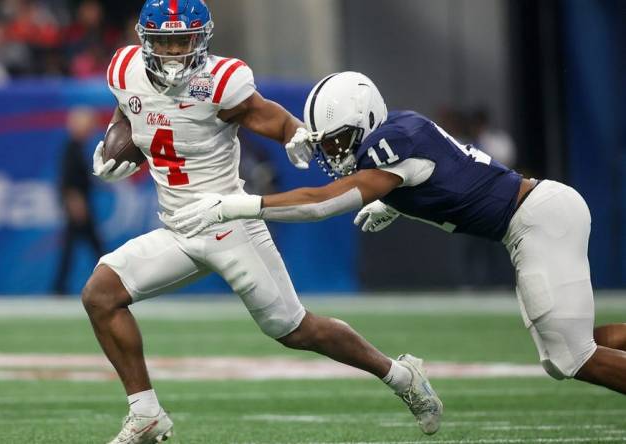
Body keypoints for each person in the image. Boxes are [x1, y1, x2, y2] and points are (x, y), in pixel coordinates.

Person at [82, 3, 442, 443]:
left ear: (203, 39)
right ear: (145, 41)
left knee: (296, 330)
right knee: (101, 294)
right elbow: (131, 115)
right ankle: (146, 415)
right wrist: (114, 146)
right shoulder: (123, 70)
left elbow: (269, 116)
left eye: (183, 40)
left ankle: (401, 376)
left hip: (229, 224)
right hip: (178, 228)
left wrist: (293, 134)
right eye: (165, 42)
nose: (175, 52)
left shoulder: (221, 82)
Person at [172, 71, 626, 397]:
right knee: (562, 352)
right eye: (327, 144)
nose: (334, 153)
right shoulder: (397, 131)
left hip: (536, 219)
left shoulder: (392, 143)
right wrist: (395, 204)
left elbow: (320, 203)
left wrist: (240, 205)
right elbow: (446, 177)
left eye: (337, 141)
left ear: (366, 121)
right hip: (535, 215)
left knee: (572, 357)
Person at [53, 107, 103, 296]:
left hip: (81, 202)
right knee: (93, 246)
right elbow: (68, 181)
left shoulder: (77, 147)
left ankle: (59, 287)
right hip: (79, 205)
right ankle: (111, 281)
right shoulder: (72, 148)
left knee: (74, 247)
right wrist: (75, 203)